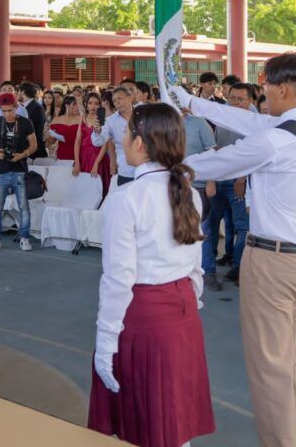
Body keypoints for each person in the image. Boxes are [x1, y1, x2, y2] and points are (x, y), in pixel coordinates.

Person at [173, 53, 296, 447]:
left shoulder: (275, 141)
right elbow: (248, 121)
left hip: (273, 262)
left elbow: (216, 163)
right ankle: (289, 438)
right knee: (288, 362)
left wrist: (165, 162)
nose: (261, 94)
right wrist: (189, 100)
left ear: (280, 88)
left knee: (269, 369)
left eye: (264, 87)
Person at [89, 103, 214, 446]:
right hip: (182, 309)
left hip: (145, 314)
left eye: (127, 133)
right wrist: (190, 300)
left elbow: (118, 278)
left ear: (140, 143)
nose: (122, 139)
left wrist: (105, 341)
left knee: (149, 419)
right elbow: (194, 264)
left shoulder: (127, 198)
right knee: (175, 414)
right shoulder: (187, 191)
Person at [203, 82, 255, 289]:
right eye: (232, 98)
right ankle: (209, 268)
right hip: (219, 180)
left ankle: (238, 267)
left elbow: (253, 155)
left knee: (242, 226)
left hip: (239, 182)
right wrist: (212, 178)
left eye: (241, 99)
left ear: (250, 101)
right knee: (210, 224)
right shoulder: (223, 120)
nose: (235, 102)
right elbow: (217, 151)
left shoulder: (255, 123)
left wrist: (242, 179)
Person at [0, 93, 37, 252]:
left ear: (16, 107)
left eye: (10, 110)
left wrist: (22, 155)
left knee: (24, 207)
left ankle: (25, 238)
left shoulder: (26, 123)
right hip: (0, 170)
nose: (7, 113)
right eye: (4, 110)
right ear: (0, 109)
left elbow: (33, 145)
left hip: (20, 169)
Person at [92, 86, 135, 186]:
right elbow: (98, 142)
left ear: (130, 98)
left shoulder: (143, 114)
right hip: (126, 171)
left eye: (120, 98)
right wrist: (97, 131)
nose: (117, 102)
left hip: (146, 169)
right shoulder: (110, 121)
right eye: (114, 101)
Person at [74, 93, 113, 196]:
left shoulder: (103, 120)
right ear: (86, 105)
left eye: (96, 103)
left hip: (98, 157)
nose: (93, 106)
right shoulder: (82, 118)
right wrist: (77, 162)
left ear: (100, 106)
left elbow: (105, 144)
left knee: (98, 190)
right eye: (90, 103)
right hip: (84, 157)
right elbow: (78, 141)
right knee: (84, 190)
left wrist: (96, 163)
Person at [18, 82, 48, 159]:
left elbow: (35, 130)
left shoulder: (37, 108)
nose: (17, 94)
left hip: (35, 151)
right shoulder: (23, 107)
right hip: (26, 149)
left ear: (22, 92)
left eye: (18, 91)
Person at [47, 95, 81, 161]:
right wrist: (50, 137)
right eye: (74, 104)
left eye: (78, 104)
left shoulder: (82, 120)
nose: (77, 107)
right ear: (66, 106)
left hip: (80, 154)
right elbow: (50, 142)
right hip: (62, 154)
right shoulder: (56, 120)